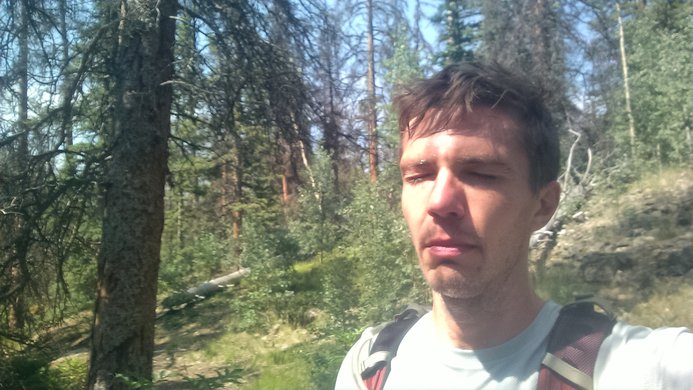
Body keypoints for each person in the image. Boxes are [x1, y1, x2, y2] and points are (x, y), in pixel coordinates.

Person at [334, 62, 693, 390]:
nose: (439, 202)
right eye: (419, 175)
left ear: (543, 205)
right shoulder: (369, 365)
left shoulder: (636, 367)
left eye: (480, 174)